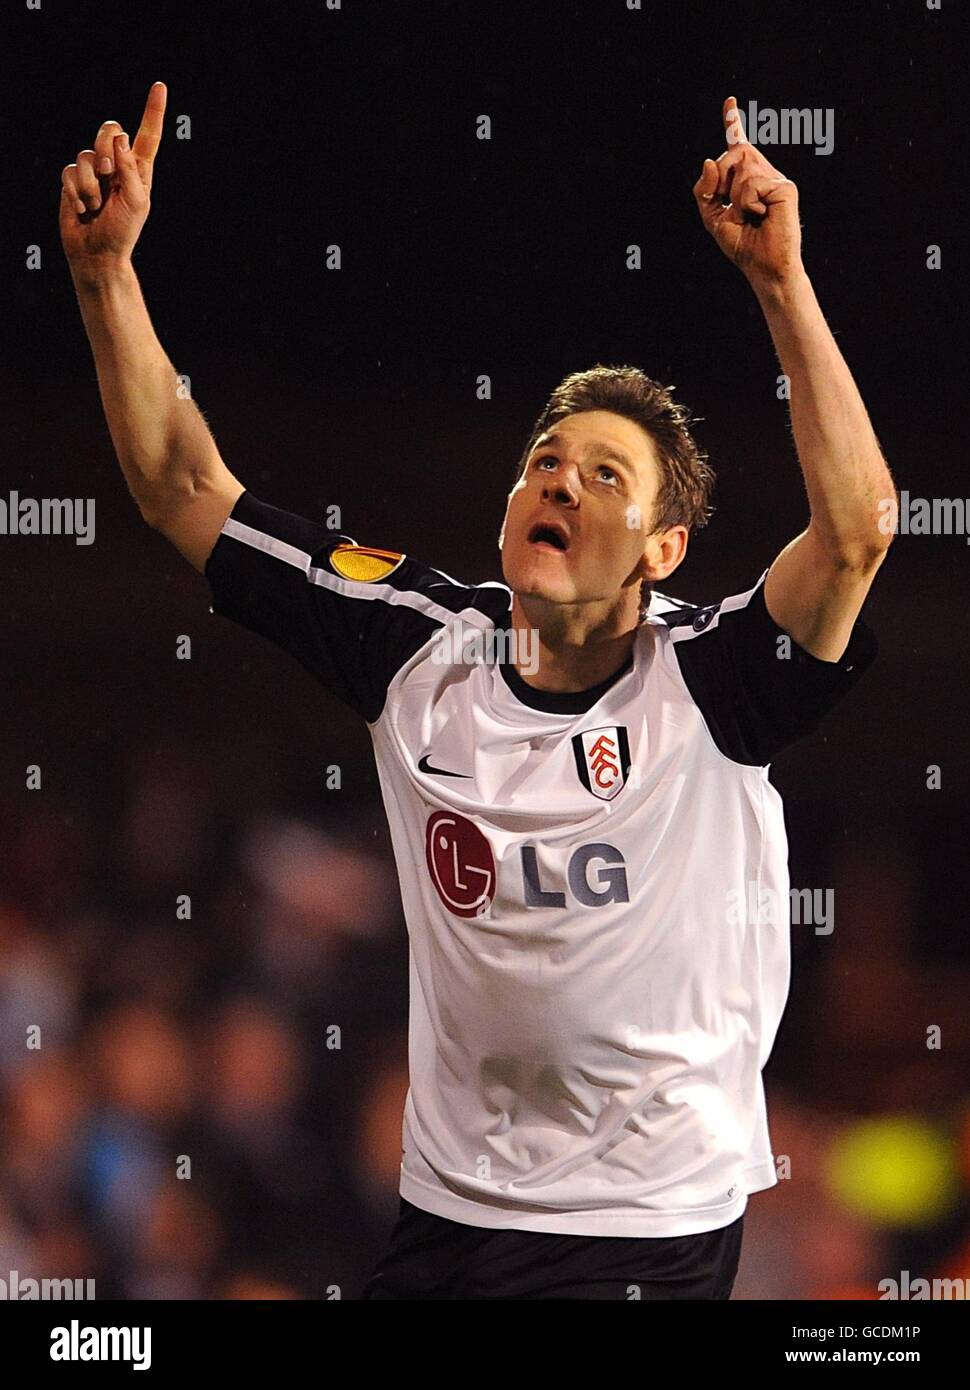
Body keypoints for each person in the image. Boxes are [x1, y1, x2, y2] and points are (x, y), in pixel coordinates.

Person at [60, 85, 895, 1300]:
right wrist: (103, 281)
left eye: (603, 474)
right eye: (541, 462)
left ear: (662, 548)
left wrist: (781, 282)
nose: (556, 481)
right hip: (452, 1223)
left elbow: (860, 529)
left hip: (651, 1236)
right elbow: (185, 491)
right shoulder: (414, 646)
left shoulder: (714, 681)